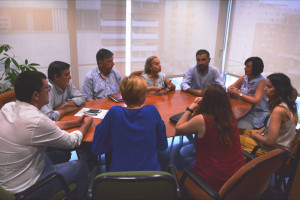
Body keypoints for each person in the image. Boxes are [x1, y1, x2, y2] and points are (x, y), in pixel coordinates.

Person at [0, 71, 93, 199]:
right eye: (46, 87)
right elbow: (72, 141)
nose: (49, 90)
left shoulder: (8, 107)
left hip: (7, 182)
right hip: (26, 190)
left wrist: (75, 122)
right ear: (36, 95)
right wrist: (86, 124)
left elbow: (47, 126)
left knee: (62, 154)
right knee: (81, 166)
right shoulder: (36, 120)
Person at [175, 84, 245, 192]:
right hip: (237, 175)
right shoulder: (230, 115)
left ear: (206, 101)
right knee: (191, 149)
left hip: (214, 179)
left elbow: (178, 129)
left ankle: (183, 190)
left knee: (180, 157)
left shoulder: (202, 119)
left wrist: (190, 108)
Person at [92, 76, 168, 172]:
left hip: (118, 180)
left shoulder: (114, 112)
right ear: (142, 95)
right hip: (151, 179)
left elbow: (97, 149)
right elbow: (163, 146)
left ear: (122, 95)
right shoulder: (152, 111)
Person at [240, 73, 298, 154]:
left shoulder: (278, 110)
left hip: (272, 152)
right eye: (265, 85)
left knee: (234, 137)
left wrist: (255, 135)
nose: (265, 89)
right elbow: (275, 125)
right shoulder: (287, 105)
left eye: (269, 87)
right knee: (238, 131)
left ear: (279, 90)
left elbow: (270, 142)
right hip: (280, 149)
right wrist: (260, 131)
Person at [228, 57, 268, 129]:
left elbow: (256, 101)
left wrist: (239, 93)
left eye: (248, 67)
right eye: (245, 66)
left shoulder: (261, 81)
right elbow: (231, 87)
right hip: (242, 107)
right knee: (226, 121)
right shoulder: (245, 77)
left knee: (235, 127)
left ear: (255, 69)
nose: (245, 68)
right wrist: (230, 89)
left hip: (255, 112)